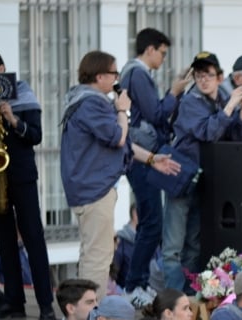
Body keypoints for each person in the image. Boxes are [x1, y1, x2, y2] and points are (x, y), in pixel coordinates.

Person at [61, 50, 181, 298]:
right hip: (94, 190)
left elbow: (121, 143)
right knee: (99, 256)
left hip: (90, 188)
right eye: (114, 73)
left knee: (91, 253)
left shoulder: (85, 99)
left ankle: (86, 312)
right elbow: (118, 137)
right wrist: (123, 111)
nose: (118, 79)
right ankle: (92, 317)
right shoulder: (91, 102)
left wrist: (150, 158)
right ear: (100, 75)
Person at [161, 51, 242, 292]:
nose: (203, 80)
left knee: (194, 243)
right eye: (199, 75)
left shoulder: (222, 99)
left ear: (220, 77)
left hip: (205, 179)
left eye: (208, 74)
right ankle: (174, 299)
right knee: (173, 246)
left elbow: (236, 136)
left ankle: (188, 297)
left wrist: (241, 111)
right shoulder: (191, 101)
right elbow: (208, 132)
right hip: (181, 176)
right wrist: (231, 106)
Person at [121, 28, 190, 308]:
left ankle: (137, 283)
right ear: (149, 49)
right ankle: (132, 285)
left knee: (151, 221)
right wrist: (173, 93)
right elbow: (157, 114)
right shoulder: (137, 73)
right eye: (162, 53)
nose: (163, 58)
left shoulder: (133, 73)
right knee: (151, 222)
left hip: (143, 155)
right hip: (143, 157)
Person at [0, 53, 56, 320]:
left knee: (33, 236)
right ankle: (14, 301)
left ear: (2, 69)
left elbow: (35, 135)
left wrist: (12, 118)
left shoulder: (24, 95)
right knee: (5, 240)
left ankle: (45, 303)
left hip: (21, 174)